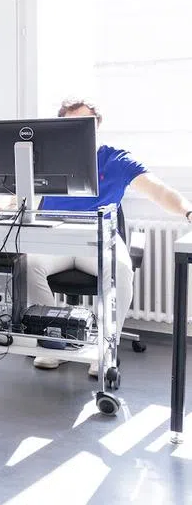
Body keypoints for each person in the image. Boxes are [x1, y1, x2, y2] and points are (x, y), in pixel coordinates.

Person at [28, 98, 192, 370]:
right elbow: (17, 192)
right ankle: (53, 339)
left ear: (97, 125)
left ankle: (105, 347)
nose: (78, 129)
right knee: (28, 265)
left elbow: (159, 190)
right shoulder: (47, 159)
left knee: (122, 269)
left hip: (98, 241)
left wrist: (188, 212)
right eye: (71, 124)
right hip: (56, 239)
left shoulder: (116, 160)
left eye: (85, 122)